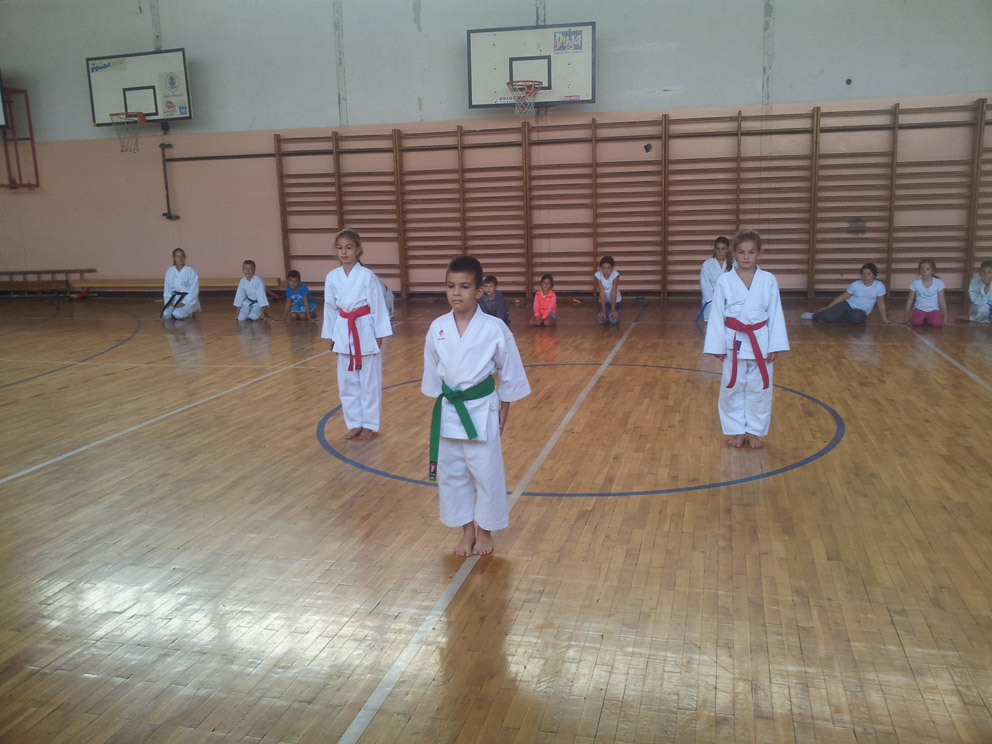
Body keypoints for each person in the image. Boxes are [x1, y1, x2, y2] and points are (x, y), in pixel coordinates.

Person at [422, 256, 530, 556]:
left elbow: (510, 370)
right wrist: (439, 404)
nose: (456, 293)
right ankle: (467, 530)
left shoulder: (494, 328)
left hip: (482, 409)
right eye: (450, 286)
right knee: (452, 474)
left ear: (480, 291)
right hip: (449, 410)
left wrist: (504, 408)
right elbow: (433, 373)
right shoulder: (438, 327)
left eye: (465, 286)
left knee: (487, 473)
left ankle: (485, 530)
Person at [703, 230, 789, 449]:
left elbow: (775, 312)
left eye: (751, 252)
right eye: (741, 252)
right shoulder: (725, 280)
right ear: (734, 253)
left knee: (759, 390)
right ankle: (737, 431)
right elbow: (717, 314)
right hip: (734, 342)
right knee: (732, 389)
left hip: (760, 341)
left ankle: (754, 432)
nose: (746, 257)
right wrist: (717, 345)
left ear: (759, 253)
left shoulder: (768, 280)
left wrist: (775, 345)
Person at [322, 229, 393, 440]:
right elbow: (330, 308)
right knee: (347, 383)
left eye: (349, 247)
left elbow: (378, 306)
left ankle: (369, 424)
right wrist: (334, 338)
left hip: (365, 330)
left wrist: (379, 335)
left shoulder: (367, 276)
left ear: (358, 249)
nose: (344, 252)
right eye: (339, 248)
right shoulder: (332, 277)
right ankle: (354, 423)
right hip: (344, 331)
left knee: (369, 383)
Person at [801, 263, 890, 324]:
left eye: (868, 274)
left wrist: (885, 319)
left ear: (874, 275)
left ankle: (830, 318)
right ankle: (814, 315)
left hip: (860, 312)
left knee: (858, 318)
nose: (865, 276)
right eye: (863, 274)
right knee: (828, 315)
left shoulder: (879, 286)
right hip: (847, 305)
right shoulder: (856, 284)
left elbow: (881, 304)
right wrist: (829, 307)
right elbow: (843, 296)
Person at [904, 258, 949, 327]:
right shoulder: (915, 283)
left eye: (927, 269)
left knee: (937, 323)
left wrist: (945, 316)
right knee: (916, 322)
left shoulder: (939, 283)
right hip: (920, 308)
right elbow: (910, 300)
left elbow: (942, 300)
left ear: (933, 270)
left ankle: (928, 318)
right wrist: (906, 316)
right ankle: (923, 317)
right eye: (922, 269)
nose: (924, 272)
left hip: (933, 309)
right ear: (919, 270)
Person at [698, 236, 732, 322]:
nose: (720, 252)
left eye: (723, 249)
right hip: (711, 299)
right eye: (718, 249)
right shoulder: (707, 264)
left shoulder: (734, 264)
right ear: (714, 249)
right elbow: (705, 285)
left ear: (727, 249)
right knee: (712, 316)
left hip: (729, 299)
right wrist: (714, 299)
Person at [162, 247, 200, 320]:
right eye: (177, 256)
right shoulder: (170, 271)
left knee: (178, 314)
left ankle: (193, 310)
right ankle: (185, 311)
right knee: (166, 314)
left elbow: (194, 289)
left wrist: (184, 302)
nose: (180, 258)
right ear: (174, 258)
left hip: (188, 300)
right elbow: (167, 289)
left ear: (185, 257)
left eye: (182, 256)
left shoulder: (190, 271)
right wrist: (169, 301)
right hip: (174, 299)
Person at [594, 255, 622, 325]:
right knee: (601, 320)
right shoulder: (598, 275)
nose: (606, 271)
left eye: (608, 268)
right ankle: (606, 311)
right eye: (603, 268)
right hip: (604, 302)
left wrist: (613, 310)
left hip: (616, 301)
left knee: (613, 321)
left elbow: (613, 292)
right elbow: (602, 293)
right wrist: (603, 311)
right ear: (601, 268)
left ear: (612, 268)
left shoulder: (615, 275)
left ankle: (613, 311)